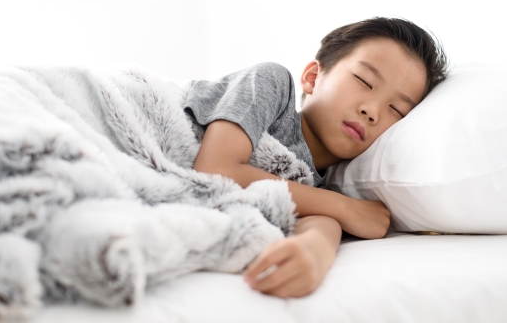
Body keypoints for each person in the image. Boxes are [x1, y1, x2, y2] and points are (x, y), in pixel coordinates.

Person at [185, 17, 449, 298]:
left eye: (396, 109)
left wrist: (315, 251)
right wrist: (344, 208)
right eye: (364, 80)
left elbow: (321, 224)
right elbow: (215, 169)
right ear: (312, 77)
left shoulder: (320, 187)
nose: (372, 110)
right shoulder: (271, 84)